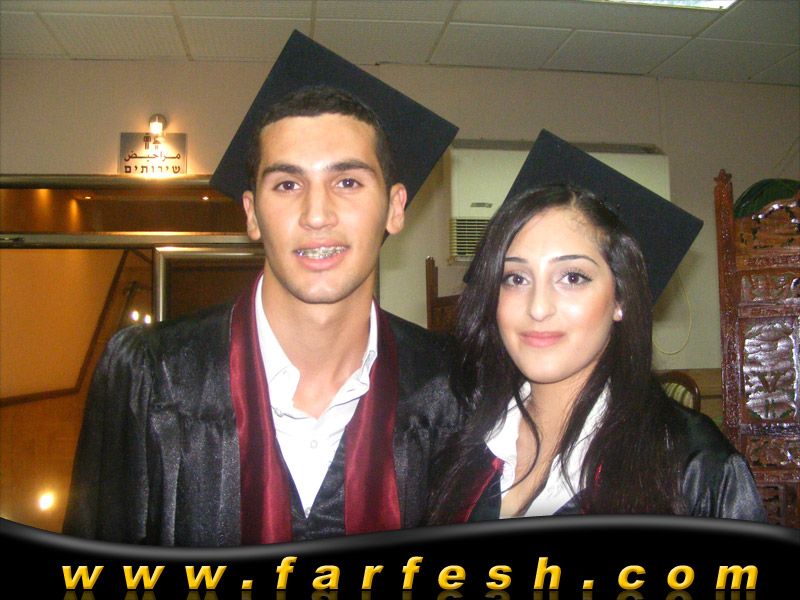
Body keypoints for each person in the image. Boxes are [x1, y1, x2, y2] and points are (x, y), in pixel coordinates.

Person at [63, 31, 460, 546]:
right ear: (251, 213)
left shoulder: (451, 386)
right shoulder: (152, 376)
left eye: (347, 182)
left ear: (395, 207)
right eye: (287, 184)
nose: (316, 214)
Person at [427, 130, 767, 523]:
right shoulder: (458, 437)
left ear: (620, 298)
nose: (538, 307)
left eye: (572, 277)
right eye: (516, 278)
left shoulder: (693, 469)